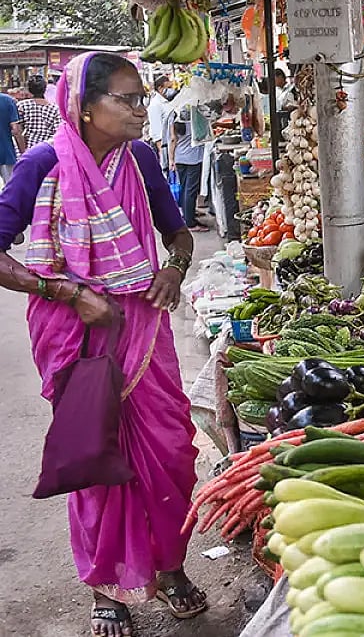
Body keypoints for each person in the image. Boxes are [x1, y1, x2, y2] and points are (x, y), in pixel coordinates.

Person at [0, 52, 206, 636]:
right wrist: (64, 291)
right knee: (95, 453)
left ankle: (169, 567)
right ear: (85, 108)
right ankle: (106, 585)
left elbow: (178, 230)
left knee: (169, 451)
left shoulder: (139, 159)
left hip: (142, 325)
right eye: (128, 99)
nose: (143, 109)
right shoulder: (42, 164)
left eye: (142, 97)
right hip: (75, 334)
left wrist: (176, 268)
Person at [168, 104, 208, 232]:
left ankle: (187, 217)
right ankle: (191, 223)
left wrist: (171, 159)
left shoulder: (173, 115)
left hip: (180, 157)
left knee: (185, 188)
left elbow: (173, 139)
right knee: (190, 190)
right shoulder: (194, 114)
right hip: (193, 158)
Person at [16, 75, 63, 149]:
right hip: (47, 150)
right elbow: (58, 133)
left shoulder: (22, 105)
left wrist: (22, 150)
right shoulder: (54, 108)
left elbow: (17, 130)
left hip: (29, 148)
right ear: (45, 89)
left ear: (29, 89)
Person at [0, 90, 27, 184]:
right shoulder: (7, 100)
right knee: (10, 187)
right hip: (5, 153)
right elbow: (16, 130)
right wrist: (23, 152)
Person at [145, 75, 172, 166]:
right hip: (163, 145)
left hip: (169, 144)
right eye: (168, 88)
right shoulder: (155, 105)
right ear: (160, 88)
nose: (171, 90)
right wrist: (162, 151)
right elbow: (156, 130)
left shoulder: (165, 101)